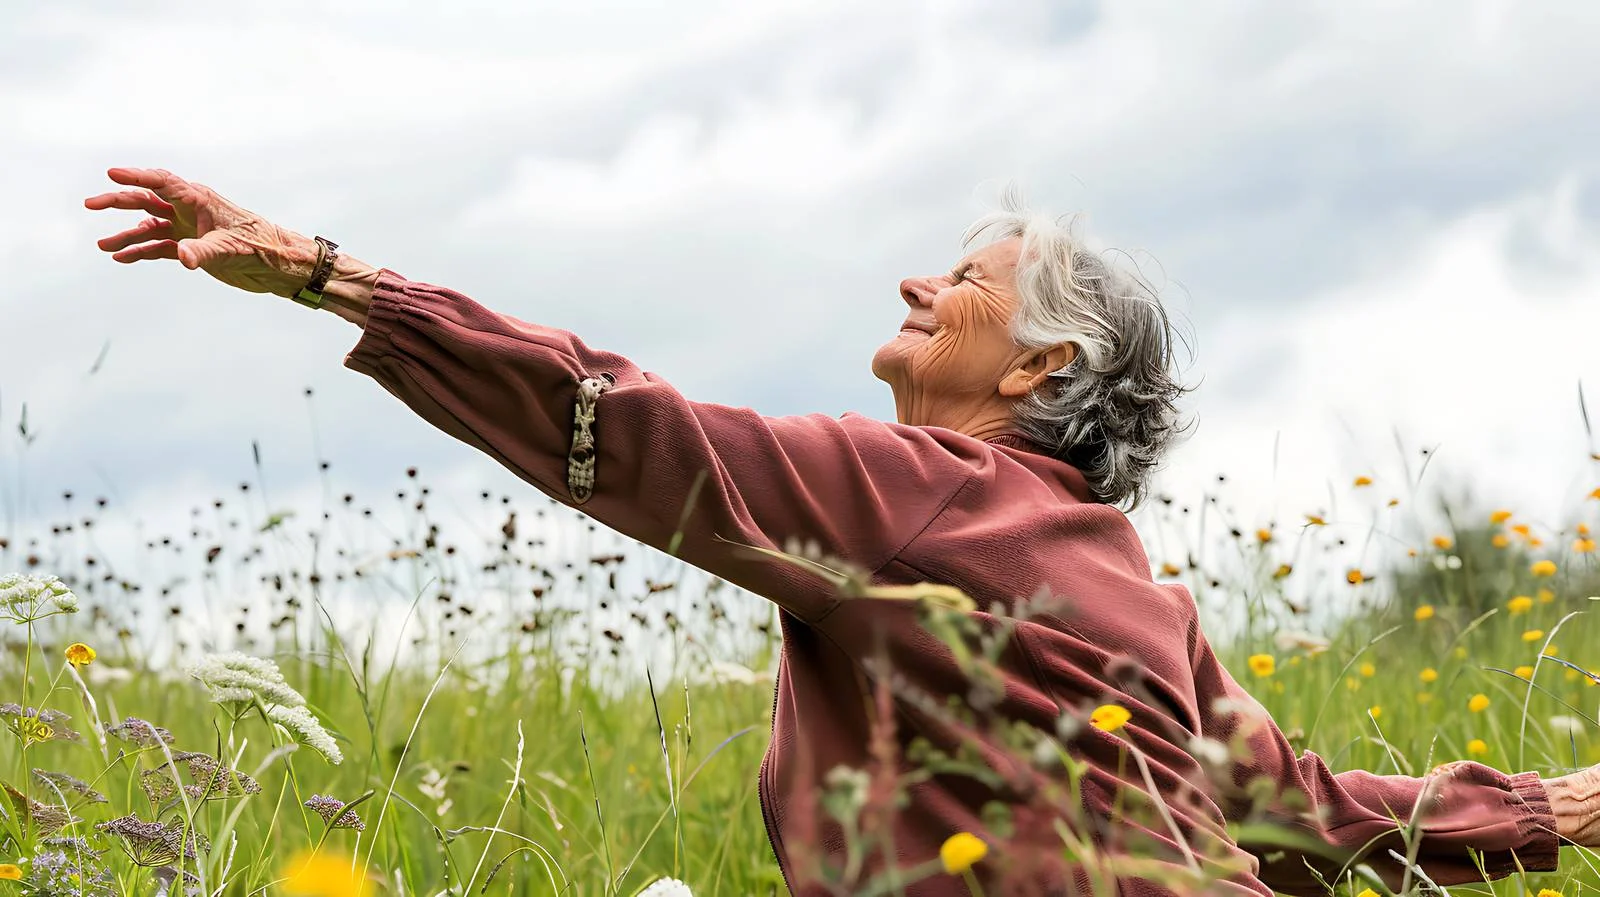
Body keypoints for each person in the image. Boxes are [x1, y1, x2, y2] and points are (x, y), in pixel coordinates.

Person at [84, 167, 1600, 896]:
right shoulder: (1144, 592)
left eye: (962, 278)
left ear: (1040, 370)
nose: (913, 288)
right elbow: (1312, 813)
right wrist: (1561, 809)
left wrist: (334, 277)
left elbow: (628, 422)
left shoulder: (922, 494)